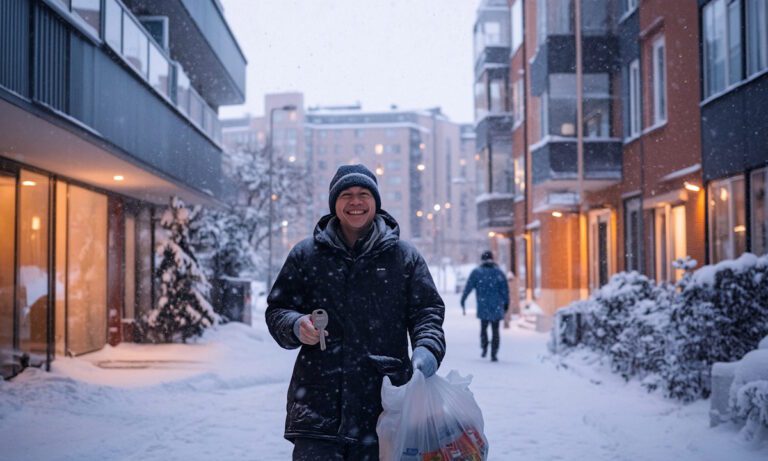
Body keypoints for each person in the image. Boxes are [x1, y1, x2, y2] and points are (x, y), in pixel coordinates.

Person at [265, 164, 446, 460]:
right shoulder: (306, 255)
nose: (355, 202)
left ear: (375, 201)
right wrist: (295, 325)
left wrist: (428, 348)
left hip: (384, 406)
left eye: (364, 194)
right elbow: (278, 309)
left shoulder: (404, 257)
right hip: (317, 407)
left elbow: (427, 311)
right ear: (334, 203)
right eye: (346, 194)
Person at [460, 250, 509, 362]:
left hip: (483, 307)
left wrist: (463, 300)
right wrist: (506, 303)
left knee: (483, 328)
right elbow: (505, 290)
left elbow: (468, 287)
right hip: (496, 306)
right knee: (495, 330)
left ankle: (484, 346)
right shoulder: (499, 273)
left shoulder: (477, 272)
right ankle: (494, 353)